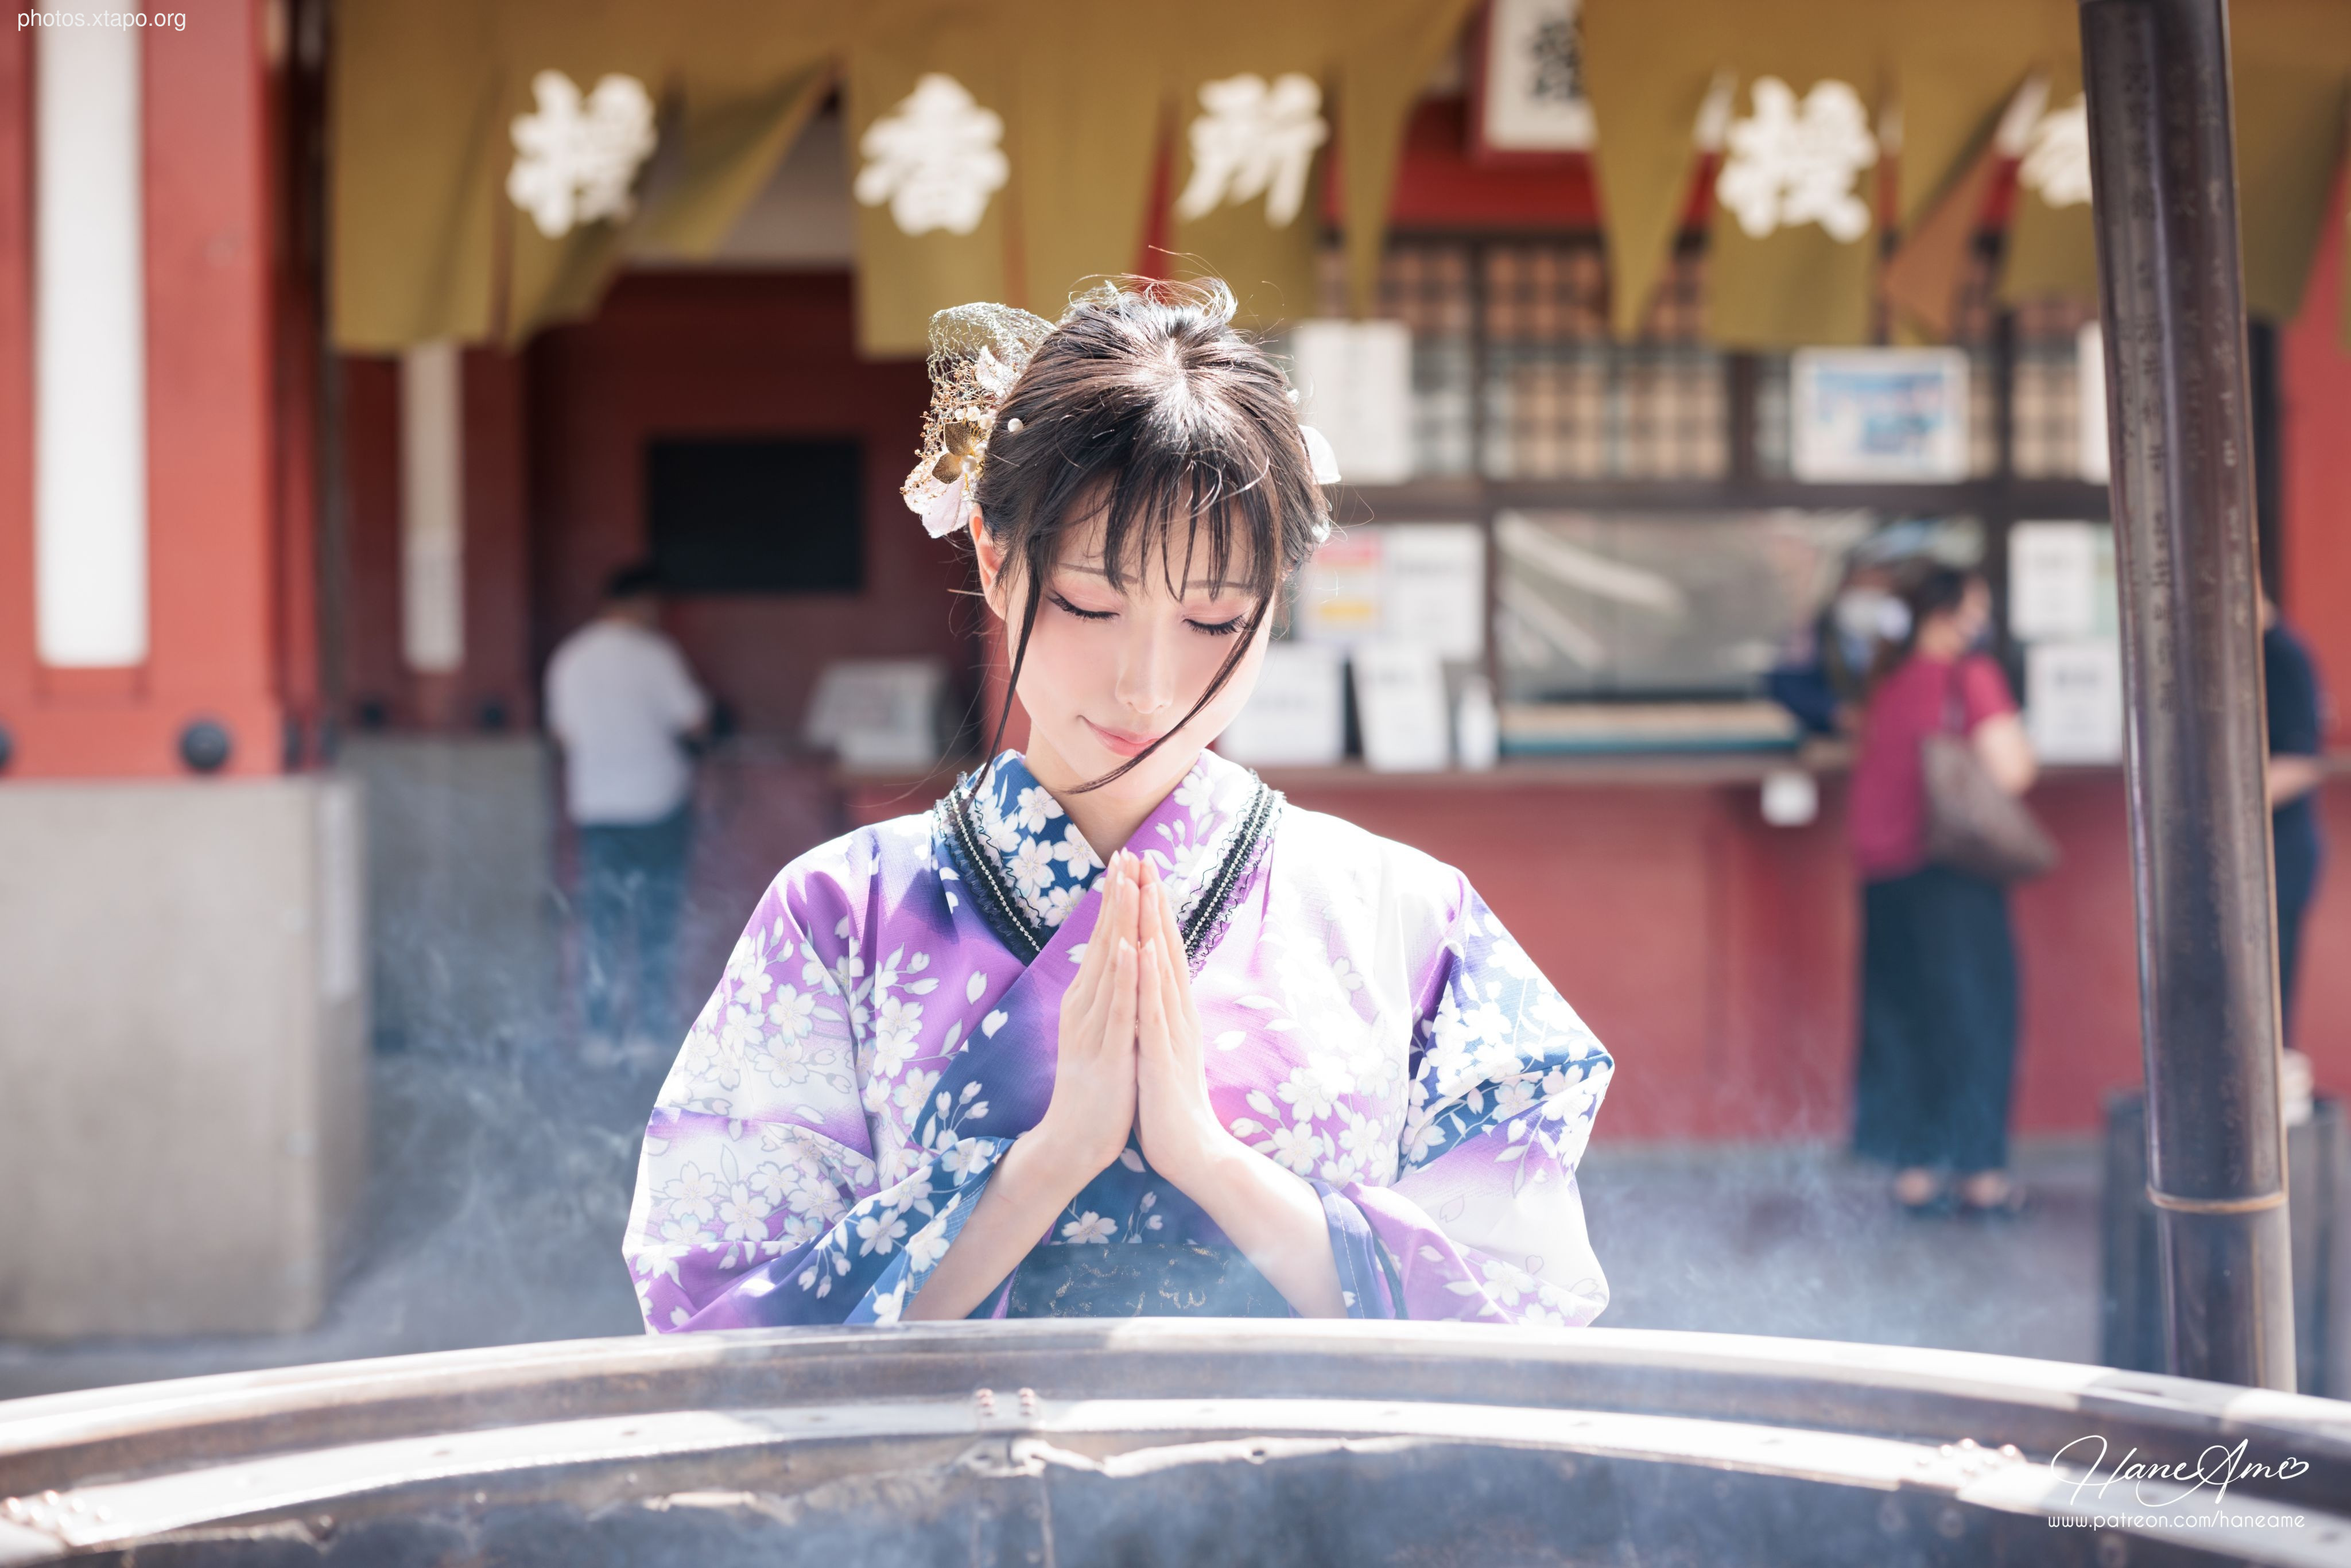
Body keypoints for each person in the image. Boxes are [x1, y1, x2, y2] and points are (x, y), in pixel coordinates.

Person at [622, 282, 1614, 1328]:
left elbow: (1519, 1308)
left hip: (1318, 1493)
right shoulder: (839, 914)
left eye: (1213, 617)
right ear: (996, 567)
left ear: (1273, 602)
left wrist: (1205, 1158)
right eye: (1092, 603)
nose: (1146, 684)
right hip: (949, 1493)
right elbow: (720, 1310)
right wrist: (1045, 1167)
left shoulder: (1407, 915)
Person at [1846, 567, 2037, 1217]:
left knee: (1901, 1019)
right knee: (1975, 1018)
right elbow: (2011, 768)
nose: (1981, 620)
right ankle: (1980, 1173)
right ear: (1950, 613)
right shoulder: (1969, 677)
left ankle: (1914, 1172)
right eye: (1977, 607)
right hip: (1950, 875)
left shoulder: (1886, 681)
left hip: (1882, 877)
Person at [546, 562, 711, 1068]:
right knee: (656, 922)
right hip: (657, 803)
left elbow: (563, 734)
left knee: (601, 922)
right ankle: (650, 1034)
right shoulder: (655, 655)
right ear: (640, 604)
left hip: (596, 807)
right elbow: (695, 722)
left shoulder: (570, 658)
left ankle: (598, 1036)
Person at [2264, 594, 2327, 1042]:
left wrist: (2219, 816)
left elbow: (2301, 762)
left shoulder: (2281, 656)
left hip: (2276, 859)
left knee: (2267, 1014)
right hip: (2241, 862)